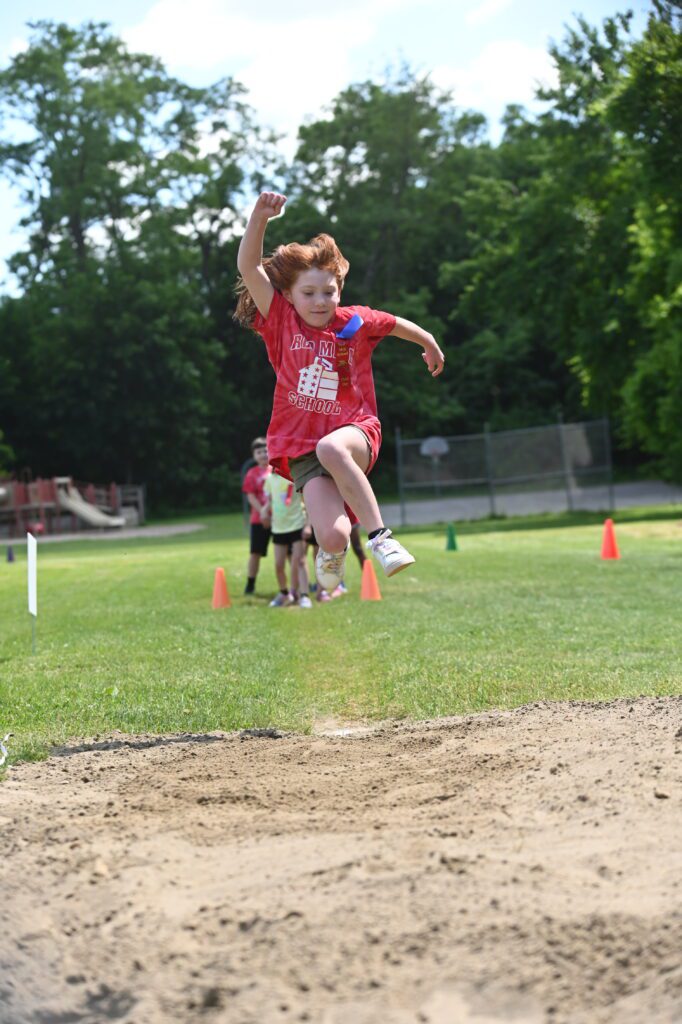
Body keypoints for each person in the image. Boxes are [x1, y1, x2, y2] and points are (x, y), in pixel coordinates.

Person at [234, 191, 444, 592]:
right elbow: (248, 265)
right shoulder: (279, 322)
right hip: (301, 447)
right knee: (331, 534)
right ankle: (332, 552)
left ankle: (382, 538)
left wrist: (429, 341)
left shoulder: (354, 323)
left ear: (339, 290)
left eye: (328, 292)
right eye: (308, 294)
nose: (320, 301)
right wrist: (259, 217)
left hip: (355, 431)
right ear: (290, 296)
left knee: (333, 447)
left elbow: (397, 323)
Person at [263, 470, 312, 609]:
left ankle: (304, 596)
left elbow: (308, 502)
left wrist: (308, 526)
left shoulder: (295, 476)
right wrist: (264, 511)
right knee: (279, 564)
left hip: (297, 525)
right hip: (279, 527)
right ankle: (284, 593)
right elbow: (270, 500)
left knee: (301, 561)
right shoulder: (270, 479)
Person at [241, 436, 272, 596]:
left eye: (265, 450)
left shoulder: (278, 470)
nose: (263, 454)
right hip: (259, 519)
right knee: (255, 553)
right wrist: (262, 511)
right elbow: (251, 496)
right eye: (259, 452)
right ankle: (250, 584)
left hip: (281, 519)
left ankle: (293, 584)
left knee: (289, 551)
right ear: (254, 456)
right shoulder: (252, 474)